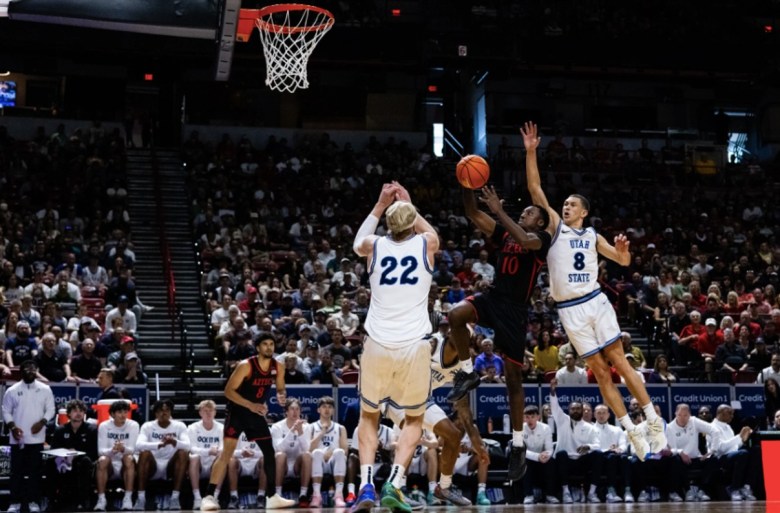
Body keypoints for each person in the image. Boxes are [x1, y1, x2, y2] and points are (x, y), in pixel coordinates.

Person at [523, 120, 666, 460]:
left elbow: (623, 260)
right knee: (600, 373)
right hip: (569, 310)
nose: (566, 207)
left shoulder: (591, 236)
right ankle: (631, 431)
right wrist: (531, 152)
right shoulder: (555, 227)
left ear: (584, 213)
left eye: (572, 205)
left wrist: (623, 250)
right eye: (565, 204)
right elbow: (535, 189)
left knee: (618, 360)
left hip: (594, 302)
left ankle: (652, 419)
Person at [446, 185, 551, 482]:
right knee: (455, 315)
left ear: (540, 222)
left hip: (515, 311)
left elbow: (523, 238)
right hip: (494, 298)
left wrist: (500, 211)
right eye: (525, 211)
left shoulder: (542, 239)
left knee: (514, 382)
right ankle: (467, 372)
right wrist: (466, 184)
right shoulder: (504, 232)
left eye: (530, 212)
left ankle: (518, 446)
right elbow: (471, 212)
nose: (526, 212)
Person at [349, 182, 439, 513]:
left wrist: (378, 204)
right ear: (412, 221)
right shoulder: (427, 243)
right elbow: (430, 231)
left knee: (369, 414)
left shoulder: (373, 246)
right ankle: (395, 482)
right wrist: (409, 203)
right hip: (414, 345)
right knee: (414, 417)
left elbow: (358, 241)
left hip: (378, 343)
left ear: (388, 225)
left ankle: (366, 486)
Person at [384, 333, 487, 506]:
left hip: (422, 399)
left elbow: (462, 407)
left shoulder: (462, 368)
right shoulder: (432, 343)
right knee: (412, 432)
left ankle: (444, 488)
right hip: (395, 394)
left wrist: (477, 442)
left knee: (453, 435)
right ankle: (396, 488)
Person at [200, 332, 295, 511]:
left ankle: (272, 496)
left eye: (272, 344)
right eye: (265, 344)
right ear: (258, 348)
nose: (269, 347)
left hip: (255, 413)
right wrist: (250, 405)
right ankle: (208, 496)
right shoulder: (246, 365)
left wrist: (281, 396)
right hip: (237, 413)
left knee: (269, 451)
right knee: (226, 454)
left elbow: (281, 388)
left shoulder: (278, 366)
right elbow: (228, 392)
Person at [1, 360, 56, 513]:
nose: (30, 371)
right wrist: (12, 426)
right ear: (22, 370)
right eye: (27, 368)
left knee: (35, 472)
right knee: (16, 472)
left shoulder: (45, 389)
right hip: (17, 438)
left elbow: (51, 409)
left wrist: (42, 422)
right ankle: (14, 503)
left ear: (36, 370)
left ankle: (34, 502)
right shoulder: (12, 390)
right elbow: (6, 410)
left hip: (37, 438)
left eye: (33, 368)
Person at [134, 399, 191, 510]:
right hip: (153, 465)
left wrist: (174, 442)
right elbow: (138, 445)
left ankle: (175, 498)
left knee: (183, 452)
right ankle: (141, 498)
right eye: (160, 410)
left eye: (167, 410)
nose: (164, 413)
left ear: (170, 412)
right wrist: (159, 444)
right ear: (155, 413)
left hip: (171, 465)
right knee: (144, 452)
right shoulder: (147, 426)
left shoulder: (180, 425)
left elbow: (188, 446)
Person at [47, 399, 98, 511]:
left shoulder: (92, 429)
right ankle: (52, 499)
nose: (78, 413)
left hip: (82, 461)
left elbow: (94, 452)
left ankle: (83, 500)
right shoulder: (60, 430)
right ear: (69, 413)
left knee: (85, 461)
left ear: (84, 413)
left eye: (81, 411)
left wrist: (76, 454)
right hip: (64, 460)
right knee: (50, 461)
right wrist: (66, 454)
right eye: (75, 410)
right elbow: (53, 450)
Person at [665, 403, 720, 502]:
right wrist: (681, 453)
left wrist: (712, 450)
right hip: (681, 460)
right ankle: (688, 491)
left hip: (696, 458)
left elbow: (715, 431)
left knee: (714, 458)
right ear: (675, 414)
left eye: (685, 415)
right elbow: (671, 450)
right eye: (679, 415)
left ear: (689, 415)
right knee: (674, 459)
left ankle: (702, 490)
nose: (682, 418)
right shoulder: (669, 427)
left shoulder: (694, 421)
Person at [95, 400, 140, 511]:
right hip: (110, 462)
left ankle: (128, 498)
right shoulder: (104, 426)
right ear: (112, 414)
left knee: (128, 458)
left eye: (125, 412)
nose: (123, 415)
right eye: (120, 412)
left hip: (126, 463)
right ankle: (101, 499)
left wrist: (123, 449)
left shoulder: (133, 425)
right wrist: (113, 450)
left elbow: (134, 450)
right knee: (102, 459)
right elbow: (101, 451)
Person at [270, 398, 312, 507]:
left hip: (297, 465)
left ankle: (303, 495)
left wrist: (300, 432)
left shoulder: (307, 427)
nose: (295, 412)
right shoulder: (276, 427)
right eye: (292, 409)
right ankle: (278, 494)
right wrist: (292, 431)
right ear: (286, 412)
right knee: (280, 455)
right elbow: (279, 448)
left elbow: (306, 449)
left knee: (307, 455)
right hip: (282, 464)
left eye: (297, 409)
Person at [307, 396, 349, 508]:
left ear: (333, 410)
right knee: (316, 452)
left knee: (340, 452)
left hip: (333, 461)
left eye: (330, 407)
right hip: (317, 461)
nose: (327, 409)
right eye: (324, 407)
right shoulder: (311, 427)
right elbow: (308, 449)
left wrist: (332, 453)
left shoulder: (340, 428)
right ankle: (316, 495)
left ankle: (338, 495)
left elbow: (345, 450)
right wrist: (322, 432)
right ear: (318, 410)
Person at [188, 400, 225, 509]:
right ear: (200, 413)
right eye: (205, 411)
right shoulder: (192, 427)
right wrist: (208, 451)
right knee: (193, 457)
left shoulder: (221, 428)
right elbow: (192, 448)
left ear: (215, 412)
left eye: (211, 411)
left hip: (214, 462)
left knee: (223, 457)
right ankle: (197, 498)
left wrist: (218, 451)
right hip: (199, 463)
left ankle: (214, 497)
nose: (208, 413)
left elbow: (223, 447)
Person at [519, 405, 558, 505]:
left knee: (551, 461)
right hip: (528, 459)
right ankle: (528, 495)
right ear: (523, 418)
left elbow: (549, 448)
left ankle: (550, 495)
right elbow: (520, 450)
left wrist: (546, 456)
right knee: (524, 460)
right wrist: (537, 457)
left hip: (542, 460)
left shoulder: (546, 428)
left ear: (538, 417)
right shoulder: (518, 429)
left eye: (532, 417)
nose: (529, 420)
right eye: (527, 417)